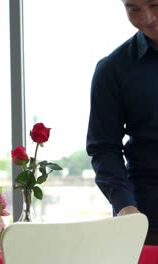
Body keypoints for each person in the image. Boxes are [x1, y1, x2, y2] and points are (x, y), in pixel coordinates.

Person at [86, 0, 158, 245]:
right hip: (149, 220)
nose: (147, 18)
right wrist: (125, 206)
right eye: (133, 9)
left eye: (155, 4)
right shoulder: (112, 70)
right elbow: (104, 147)